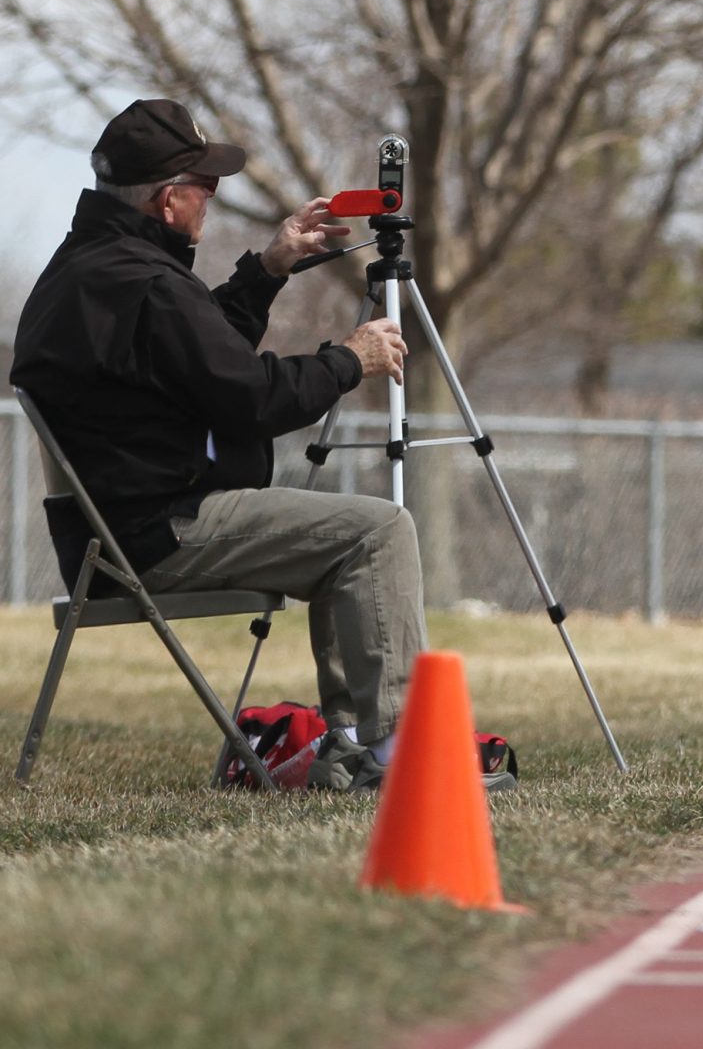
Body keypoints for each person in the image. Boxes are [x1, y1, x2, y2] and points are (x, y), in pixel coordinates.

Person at [11, 99, 422, 790]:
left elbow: (205, 361)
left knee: (345, 538)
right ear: (169, 200)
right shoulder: (145, 283)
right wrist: (351, 358)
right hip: (158, 530)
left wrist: (270, 266)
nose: (213, 197)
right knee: (376, 532)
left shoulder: (91, 266)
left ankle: (351, 744)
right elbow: (254, 399)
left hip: (109, 529)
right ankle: (396, 755)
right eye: (206, 186)